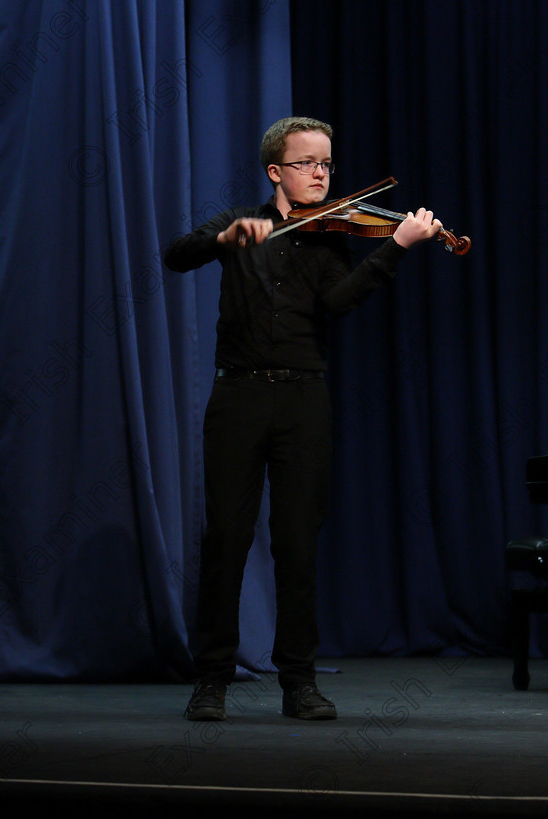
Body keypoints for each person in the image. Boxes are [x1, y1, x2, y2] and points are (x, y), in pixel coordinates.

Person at [163, 116, 441, 721]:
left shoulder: (332, 238)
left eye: (326, 164)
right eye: (308, 163)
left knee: (297, 545)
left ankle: (299, 683)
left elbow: (338, 304)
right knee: (226, 541)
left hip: (303, 402)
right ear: (276, 172)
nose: (320, 173)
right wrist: (222, 239)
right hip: (238, 399)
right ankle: (211, 678)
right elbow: (174, 256)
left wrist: (394, 248)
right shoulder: (242, 225)